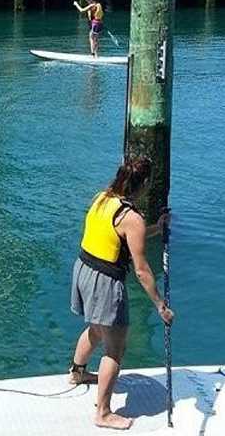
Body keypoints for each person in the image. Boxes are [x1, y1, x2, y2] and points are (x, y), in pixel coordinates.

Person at [69, 156, 175, 431]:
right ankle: (102, 413)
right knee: (115, 349)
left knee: (96, 328)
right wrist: (160, 306)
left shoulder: (102, 198)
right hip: (104, 281)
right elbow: (142, 271)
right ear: (144, 184)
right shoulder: (132, 218)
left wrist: (156, 228)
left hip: (83, 270)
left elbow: (125, 234)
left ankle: (77, 373)